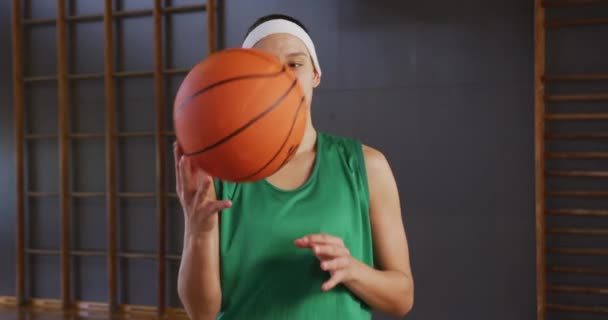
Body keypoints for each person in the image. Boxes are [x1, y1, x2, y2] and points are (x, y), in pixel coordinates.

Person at [175, 13, 414, 320]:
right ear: (244, 83)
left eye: (294, 64)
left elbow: (402, 298)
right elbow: (201, 313)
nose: (281, 78)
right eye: (264, 67)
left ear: (315, 74)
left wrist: (352, 270)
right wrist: (198, 232)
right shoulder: (221, 173)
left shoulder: (366, 166)